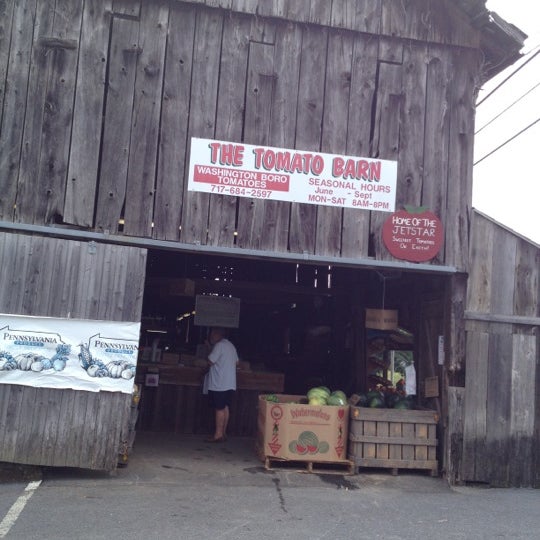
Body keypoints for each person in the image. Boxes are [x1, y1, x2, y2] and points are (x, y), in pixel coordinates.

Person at [205, 327, 238, 442]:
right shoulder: (231, 346)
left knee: (219, 408)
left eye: (212, 335)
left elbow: (210, 361)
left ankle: (218, 434)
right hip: (230, 383)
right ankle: (223, 433)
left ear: (217, 334)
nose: (211, 337)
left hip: (219, 383)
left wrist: (209, 348)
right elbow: (237, 362)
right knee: (225, 407)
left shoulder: (219, 346)